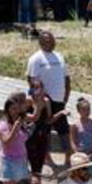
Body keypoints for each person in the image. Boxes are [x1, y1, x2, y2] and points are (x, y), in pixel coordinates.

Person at [26, 30, 71, 171]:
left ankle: (68, 160)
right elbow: (31, 81)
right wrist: (37, 101)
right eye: (46, 41)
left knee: (64, 130)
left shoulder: (60, 56)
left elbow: (66, 78)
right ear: (40, 43)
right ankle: (48, 159)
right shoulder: (35, 59)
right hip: (44, 101)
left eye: (52, 40)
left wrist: (66, 95)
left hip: (59, 100)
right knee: (44, 131)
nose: (50, 43)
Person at [0, 92, 31, 184]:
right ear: (7, 110)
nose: (16, 111)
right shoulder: (3, 125)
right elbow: (7, 142)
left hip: (22, 159)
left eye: (17, 108)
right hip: (9, 162)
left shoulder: (20, 121)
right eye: (13, 109)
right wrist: (15, 128)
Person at [69, 99, 92, 183]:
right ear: (79, 111)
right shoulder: (75, 125)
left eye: (88, 109)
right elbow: (72, 141)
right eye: (84, 109)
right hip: (80, 156)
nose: (87, 111)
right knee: (80, 178)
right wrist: (77, 153)